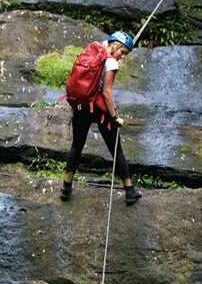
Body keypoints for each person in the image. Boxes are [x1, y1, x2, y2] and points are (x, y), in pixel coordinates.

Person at [60, 31, 142, 205]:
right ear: (116, 45)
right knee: (116, 149)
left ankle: (66, 188)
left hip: (82, 106)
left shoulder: (94, 48)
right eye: (123, 52)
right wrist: (115, 117)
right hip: (99, 110)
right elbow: (106, 92)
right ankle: (129, 191)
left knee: (77, 145)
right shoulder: (111, 62)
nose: (122, 57)